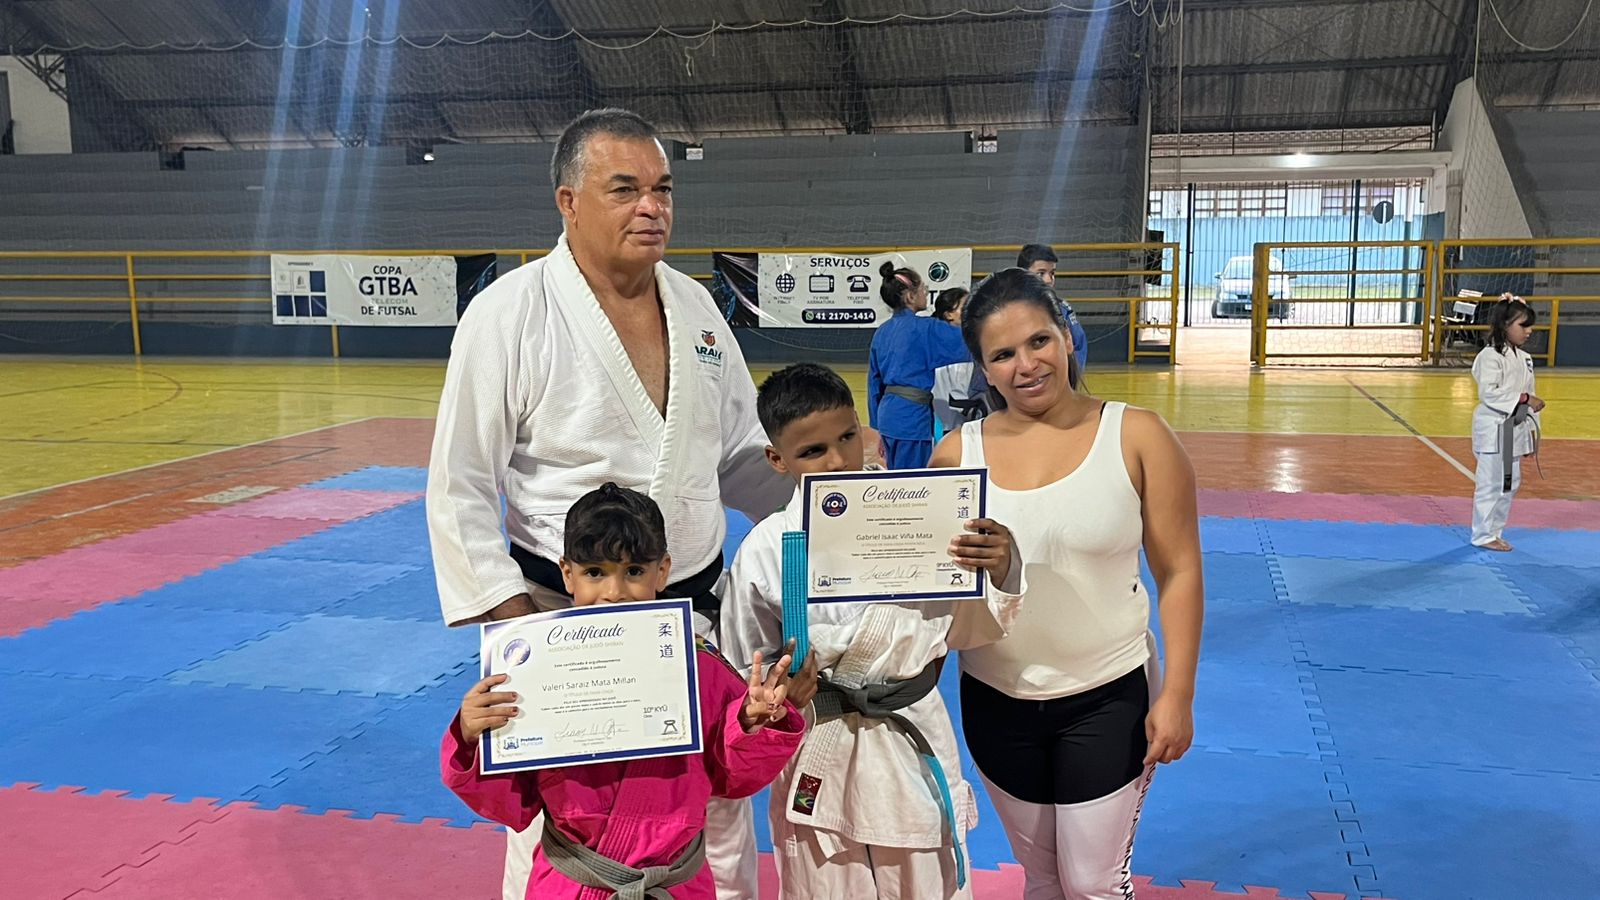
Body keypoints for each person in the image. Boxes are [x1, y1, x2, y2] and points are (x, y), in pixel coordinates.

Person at [425, 107, 790, 900]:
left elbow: (736, 455)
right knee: (556, 822)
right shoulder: (509, 313)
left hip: (690, 618)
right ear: (568, 201)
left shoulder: (697, 308)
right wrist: (517, 630)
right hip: (565, 617)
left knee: (717, 817)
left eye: (663, 189)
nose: (652, 207)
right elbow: (458, 484)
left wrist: (829, 497)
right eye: (625, 189)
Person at [930, 268, 1203, 900]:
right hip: (995, 699)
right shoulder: (956, 455)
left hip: (1108, 695)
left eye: (1039, 341)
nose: (1027, 365)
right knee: (1044, 879)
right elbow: (936, 592)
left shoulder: (1137, 436)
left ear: (1066, 336)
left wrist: (1179, 694)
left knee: (1093, 884)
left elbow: (1180, 570)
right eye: (1003, 354)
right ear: (983, 369)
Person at [720, 362, 1026, 899]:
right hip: (818, 747)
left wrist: (1001, 568)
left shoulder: (922, 516)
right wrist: (774, 694)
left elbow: (969, 629)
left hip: (907, 740)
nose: (838, 460)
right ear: (778, 459)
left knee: (926, 882)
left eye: (846, 437)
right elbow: (745, 662)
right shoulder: (768, 547)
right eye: (813, 451)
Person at [442, 483, 806, 900]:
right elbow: (511, 802)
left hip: (673, 883)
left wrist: (751, 722)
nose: (614, 593)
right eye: (594, 573)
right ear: (567, 574)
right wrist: (470, 736)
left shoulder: (700, 666)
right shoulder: (532, 671)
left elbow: (732, 779)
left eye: (633, 572)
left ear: (662, 571)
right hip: (573, 883)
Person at [867, 262, 972, 469]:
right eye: (923, 288)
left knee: (894, 476)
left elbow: (873, 384)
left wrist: (877, 427)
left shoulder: (882, 332)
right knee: (912, 481)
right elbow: (972, 343)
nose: (926, 293)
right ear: (910, 296)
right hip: (911, 419)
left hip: (887, 417)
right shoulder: (925, 329)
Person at [1470, 294, 1544, 551]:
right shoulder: (1489, 356)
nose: (1529, 331)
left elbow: (1532, 394)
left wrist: (1532, 434)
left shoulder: (1525, 359)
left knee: (1510, 484)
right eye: (1523, 325)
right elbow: (1488, 393)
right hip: (1494, 430)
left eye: (1530, 326)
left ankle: (1495, 531)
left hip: (1515, 430)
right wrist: (1524, 398)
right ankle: (1482, 535)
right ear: (1504, 325)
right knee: (1490, 484)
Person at [1017, 244, 1089, 371]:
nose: (1049, 280)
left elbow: (1078, 346)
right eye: (1041, 273)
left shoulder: (1063, 311)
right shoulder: (1007, 311)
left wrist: (1067, 376)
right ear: (1022, 275)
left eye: (1052, 273)